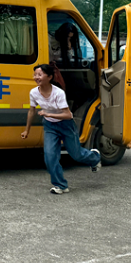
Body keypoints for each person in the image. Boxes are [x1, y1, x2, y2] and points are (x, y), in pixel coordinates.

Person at [21, 63, 102, 194]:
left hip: (66, 125)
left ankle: (94, 157)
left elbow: (68, 115)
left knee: (76, 154)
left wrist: (49, 114)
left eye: (40, 74)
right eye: (35, 74)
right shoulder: (34, 92)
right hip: (50, 126)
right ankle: (60, 185)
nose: (36, 77)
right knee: (50, 156)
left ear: (49, 77)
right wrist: (27, 130)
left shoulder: (58, 93)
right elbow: (31, 111)